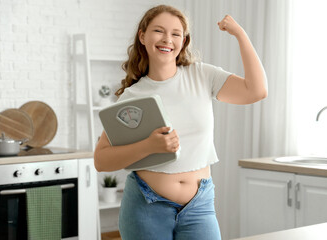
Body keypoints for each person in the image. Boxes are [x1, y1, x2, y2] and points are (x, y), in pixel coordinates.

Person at [94, 4, 267, 240]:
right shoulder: (132, 96)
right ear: (142, 36)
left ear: (183, 42)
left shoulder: (202, 76)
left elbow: (256, 91)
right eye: (159, 31)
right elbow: (101, 159)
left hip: (199, 205)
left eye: (176, 33)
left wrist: (240, 34)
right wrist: (149, 146)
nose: (167, 39)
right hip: (146, 207)